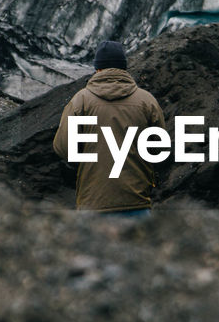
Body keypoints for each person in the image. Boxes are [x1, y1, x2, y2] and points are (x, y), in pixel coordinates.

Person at [53, 40, 165, 216]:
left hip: (93, 204)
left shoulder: (80, 101)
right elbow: (159, 149)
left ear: (97, 69)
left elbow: (64, 148)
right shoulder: (146, 100)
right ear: (124, 68)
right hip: (137, 203)